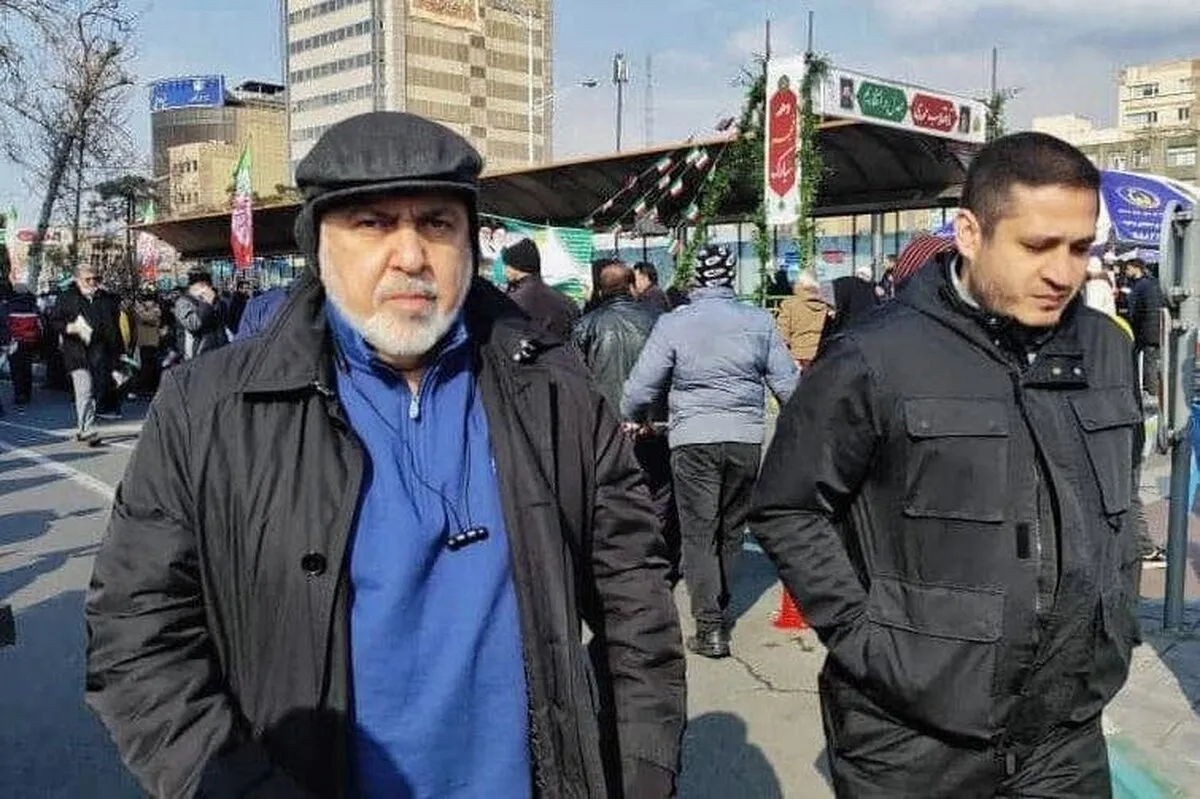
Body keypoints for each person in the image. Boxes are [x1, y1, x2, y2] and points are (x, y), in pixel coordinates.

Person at [86, 111, 685, 799]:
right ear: (318, 245)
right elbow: (136, 636)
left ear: (468, 243)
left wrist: (644, 767)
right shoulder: (206, 410)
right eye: (371, 223)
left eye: (436, 222)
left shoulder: (555, 389)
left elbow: (635, 595)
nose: (410, 255)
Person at [751, 132, 1142, 798]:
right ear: (969, 233)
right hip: (911, 739)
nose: (1062, 272)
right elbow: (788, 506)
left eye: (1079, 248)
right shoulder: (876, 355)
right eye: (1037, 245)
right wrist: (866, 638)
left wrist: (1117, 617)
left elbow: (1119, 503)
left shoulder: (1104, 348)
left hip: (1064, 733)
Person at [623, 244, 798, 659]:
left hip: (693, 439)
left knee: (699, 533)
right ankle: (721, 606)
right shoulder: (758, 320)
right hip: (744, 439)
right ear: (731, 278)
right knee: (731, 529)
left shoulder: (674, 323)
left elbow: (641, 385)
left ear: (697, 279)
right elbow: (789, 386)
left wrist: (631, 414)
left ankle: (710, 628)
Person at [574, 260, 680, 580]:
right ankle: (657, 556)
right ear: (632, 285)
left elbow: (576, 377)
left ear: (601, 290)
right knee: (659, 490)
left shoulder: (587, 325)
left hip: (608, 425)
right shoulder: (658, 320)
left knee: (614, 493)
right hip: (655, 421)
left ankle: (625, 559)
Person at [56, 265, 120, 446]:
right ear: (77, 280)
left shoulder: (105, 299)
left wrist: (119, 351)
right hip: (77, 351)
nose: (92, 282)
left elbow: (114, 328)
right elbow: (55, 321)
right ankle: (87, 428)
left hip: (100, 350)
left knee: (98, 388)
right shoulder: (67, 298)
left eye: (96, 279)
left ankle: (83, 426)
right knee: (85, 388)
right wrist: (70, 328)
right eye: (88, 279)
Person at [502, 237, 579, 339]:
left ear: (516, 267)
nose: (504, 270)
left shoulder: (512, 302)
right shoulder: (568, 302)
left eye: (507, 265)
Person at [1123, 256, 1162, 402]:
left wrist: (1131, 324)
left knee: (1147, 361)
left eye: (1128, 269)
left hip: (1144, 330)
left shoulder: (1140, 286)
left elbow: (1135, 311)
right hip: (1153, 328)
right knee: (1151, 360)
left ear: (1136, 268)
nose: (1126, 272)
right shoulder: (1152, 283)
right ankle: (1151, 390)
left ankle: (1150, 392)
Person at [774, 270, 831, 368]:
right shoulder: (828, 306)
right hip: (824, 356)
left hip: (798, 357)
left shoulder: (790, 305)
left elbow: (782, 335)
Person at [172, 271, 228, 362]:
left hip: (217, 351)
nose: (205, 289)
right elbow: (194, 324)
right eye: (201, 285)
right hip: (196, 354)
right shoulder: (183, 302)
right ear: (191, 287)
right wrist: (207, 303)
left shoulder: (215, 302)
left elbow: (222, 322)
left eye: (207, 285)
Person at [6, 283, 43, 411]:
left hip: (14, 341)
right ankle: (27, 393)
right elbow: (40, 324)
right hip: (30, 340)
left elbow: (5, 324)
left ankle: (19, 393)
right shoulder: (33, 305)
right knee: (27, 366)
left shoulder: (9, 305)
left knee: (16, 368)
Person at [133, 289, 163, 397]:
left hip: (152, 342)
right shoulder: (141, 309)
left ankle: (150, 387)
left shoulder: (156, 309)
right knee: (145, 365)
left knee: (150, 365)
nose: (147, 303)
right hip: (143, 342)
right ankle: (146, 387)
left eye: (148, 300)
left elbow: (148, 318)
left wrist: (140, 309)